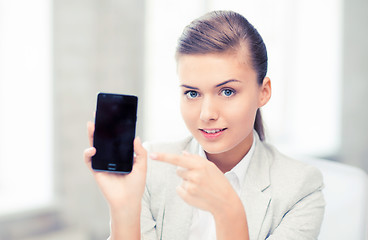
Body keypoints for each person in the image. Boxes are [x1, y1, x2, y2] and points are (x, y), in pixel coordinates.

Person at [84, 10, 325, 240]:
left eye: (227, 91)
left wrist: (228, 210)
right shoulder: (150, 170)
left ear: (263, 92)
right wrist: (124, 210)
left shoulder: (301, 189)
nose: (207, 114)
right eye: (192, 93)